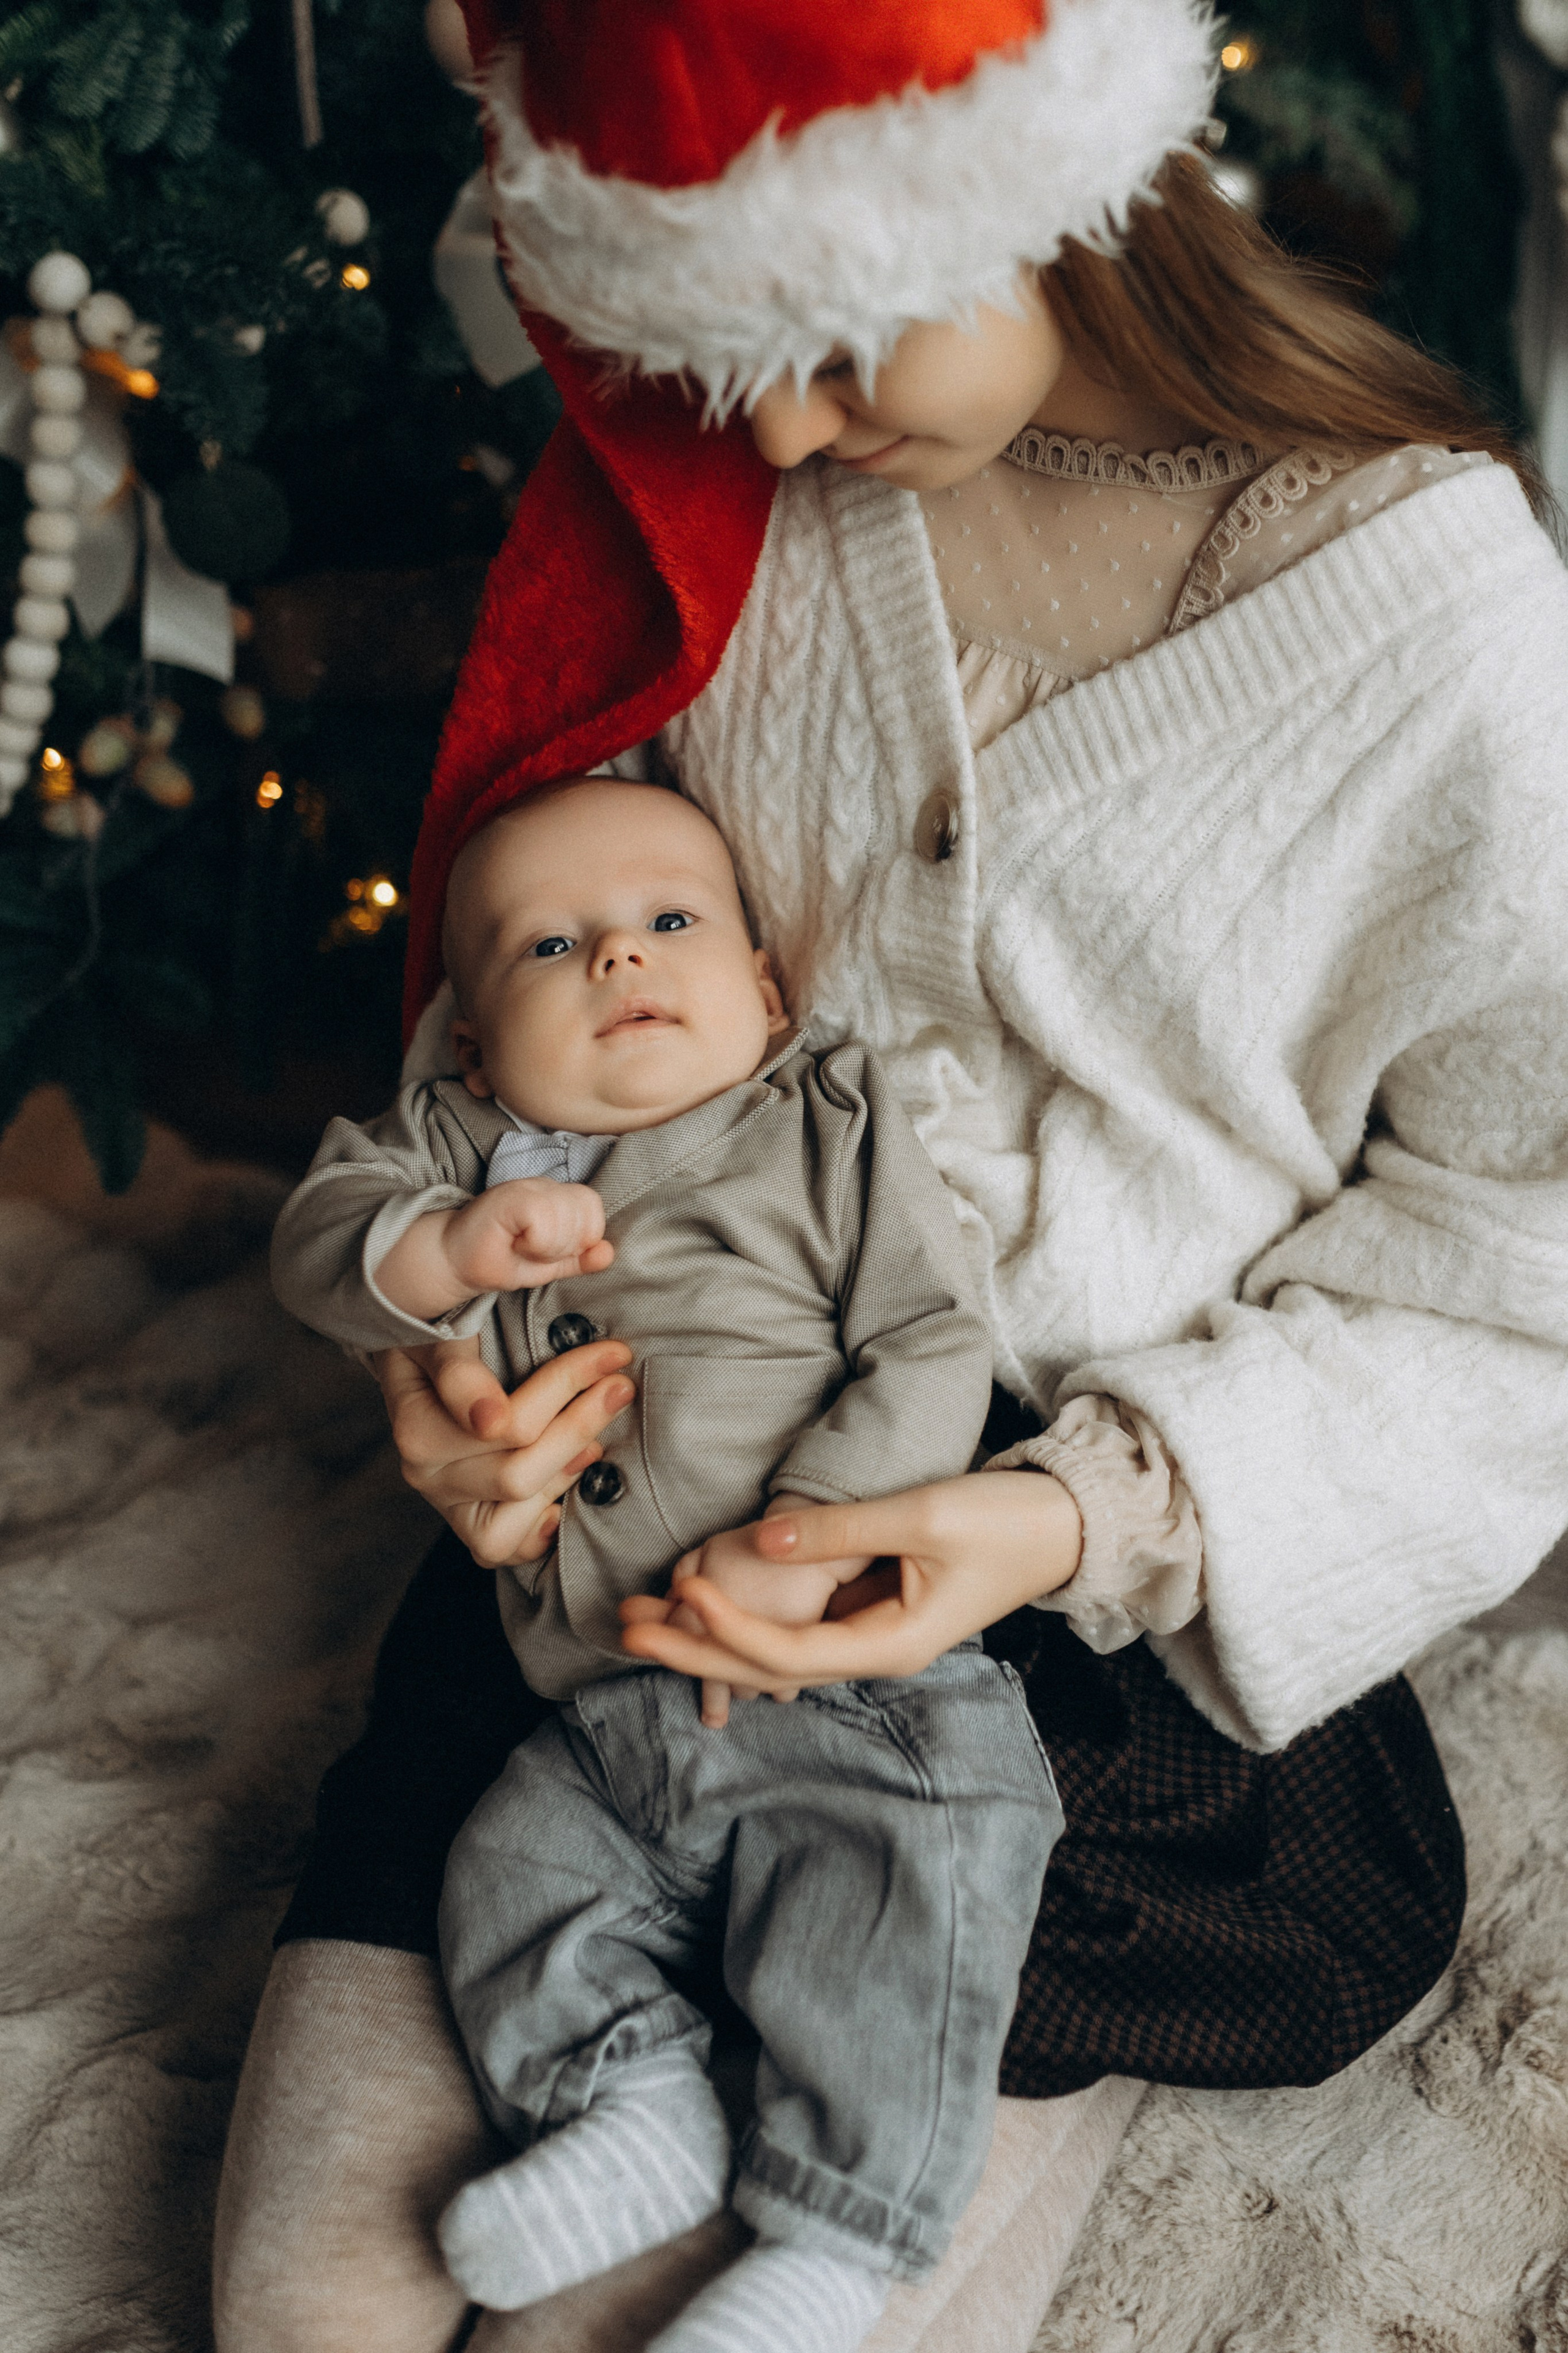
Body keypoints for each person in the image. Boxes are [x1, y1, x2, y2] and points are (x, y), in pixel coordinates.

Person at [213, 3, 1568, 2348]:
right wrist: (451, 1350)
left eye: (818, 335)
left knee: (668, 2309)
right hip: (639, 1531)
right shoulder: (726, 461)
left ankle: (909, 2040)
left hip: (1069, 1595)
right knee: (319, 2307)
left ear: (1033, 180)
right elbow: (535, 969)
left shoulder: (1448, 633)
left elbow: (1522, 1260)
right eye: (695, 343)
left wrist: (1065, 1519)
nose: (759, 427)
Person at [269, 776, 1062, 2351]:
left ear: (763, 993)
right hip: (600, 1721)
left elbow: (927, 1341)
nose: (619, 958)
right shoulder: (462, 1150)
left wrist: (808, 1538)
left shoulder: (818, 1113)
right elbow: (315, 1233)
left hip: (856, 1686)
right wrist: (439, 1258)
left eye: (668, 923)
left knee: (904, 1912)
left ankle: (828, 2253)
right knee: (506, 1880)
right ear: (474, 1040)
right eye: (551, 946)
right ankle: (635, 2110)